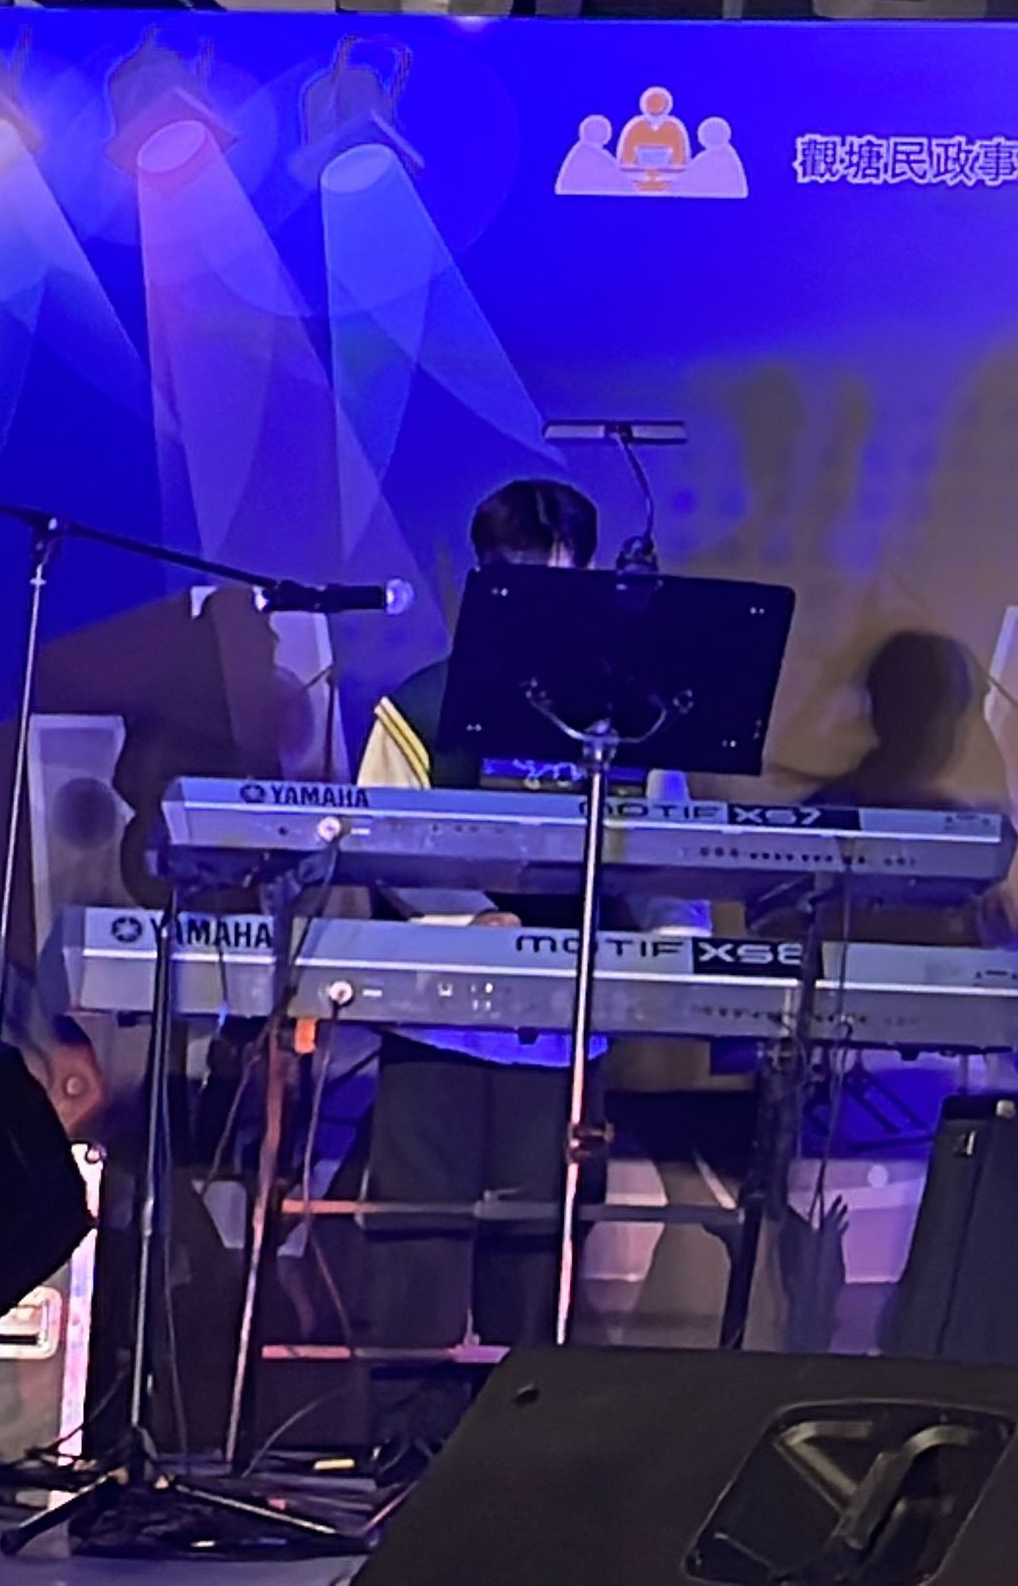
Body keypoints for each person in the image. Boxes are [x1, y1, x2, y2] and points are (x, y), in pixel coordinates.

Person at [352, 478, 670, 1468]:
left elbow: (671, 853)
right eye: (515, 581)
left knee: (540, 1238)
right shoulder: (421, 707)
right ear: (484, 580)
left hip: (564, 1021)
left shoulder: (635, 717)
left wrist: (675, 948)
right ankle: (406, 1441)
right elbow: (387, 842)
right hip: (436, 1017)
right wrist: (470, 920)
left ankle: (514, 1453)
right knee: (419, 1232)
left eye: (556, 582)